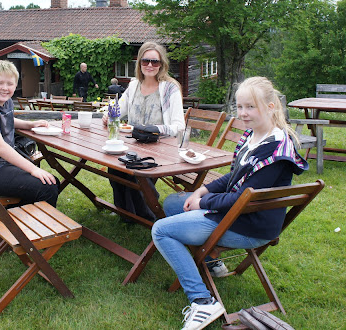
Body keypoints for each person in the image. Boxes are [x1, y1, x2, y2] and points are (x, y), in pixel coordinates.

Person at [151, 77, 308, 330]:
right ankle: (212, 262)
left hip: (247, 226)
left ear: (270, 107)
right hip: (237, 215)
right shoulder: (254, 136)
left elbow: (240, 199)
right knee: (172, 203)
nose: (243, 114)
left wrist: (203, 202)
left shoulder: (275, 150)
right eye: (240, 107)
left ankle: (202, 302)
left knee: (161, 230)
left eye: (251, 107)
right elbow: (234, 176)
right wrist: (201, 189)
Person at [102, 42, 185, 222]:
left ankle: (145, 213)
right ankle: (125, 211)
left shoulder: (170, 89)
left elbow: (179, 126)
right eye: (145, 61)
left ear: (162, 64)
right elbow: (118, 109)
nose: (150, 65)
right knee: (114, 167)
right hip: (132, 144)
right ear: (139, 63)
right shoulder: (133, 86)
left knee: (134, 172)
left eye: (155, 62)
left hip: (160, 147)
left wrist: (155, 129)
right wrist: (108, 115)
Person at [0, 60, 59, 207]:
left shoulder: (6, 102)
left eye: (10, 84)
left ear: (16, 85)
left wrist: (30, 124)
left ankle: (14, 215)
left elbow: (7, 119)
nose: (5, 88)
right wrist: (33, 169)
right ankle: (28, 226)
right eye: (0, 83)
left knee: (51, 181)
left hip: (1, 165)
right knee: (47, 186)